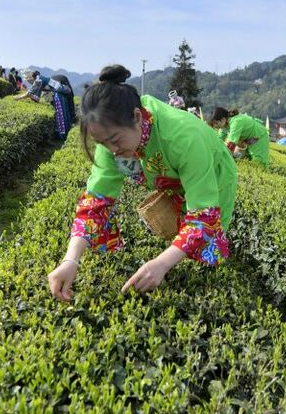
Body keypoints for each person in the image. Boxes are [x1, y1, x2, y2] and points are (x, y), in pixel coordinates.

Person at [47, 65, 238, 302]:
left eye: (115, 141)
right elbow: (95, 202)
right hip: (171, 177)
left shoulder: (183, 136)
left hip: (215, 174)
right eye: (103, 144)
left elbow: (204, 214)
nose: (112, 151)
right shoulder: (112, 137)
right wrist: (70, 260)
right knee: (180, 234)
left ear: (137, 117)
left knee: (203, 242)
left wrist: (160, 264)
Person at [15, 69, 75, 139]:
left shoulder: (39, 79)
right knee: (65, 112)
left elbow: (29, 93)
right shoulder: (40, 79)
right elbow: (36, 97)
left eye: (28, 80)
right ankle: (66, 132)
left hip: (60, 92)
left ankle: (62, 135)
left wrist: (19, 97)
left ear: (31, 77)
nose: (29, 82)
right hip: (62, 91)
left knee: (60, 113)